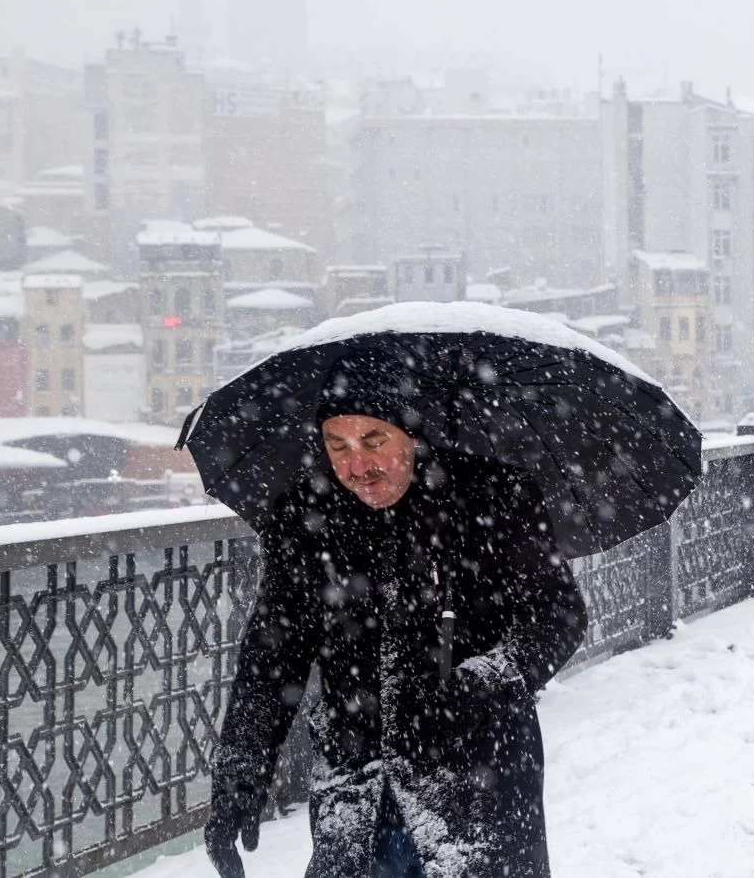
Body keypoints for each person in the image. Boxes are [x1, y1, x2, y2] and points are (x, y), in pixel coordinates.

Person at [205, 361, 588, 878]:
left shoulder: (493, 497)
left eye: (373, 439)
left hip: (478, 774)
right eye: (336, 445)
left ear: (411, 433)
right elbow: (273, 656)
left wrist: (482, 684)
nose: (357, 465)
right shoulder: (303, 516)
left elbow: (558, 615)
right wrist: (242, 771)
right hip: (355, 783)